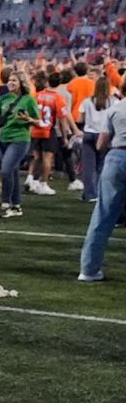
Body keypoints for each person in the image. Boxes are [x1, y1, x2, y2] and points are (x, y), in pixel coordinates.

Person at [78, 96, 126, 283]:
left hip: (116, 158)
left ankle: (89, 270)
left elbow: (101, 144)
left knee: (102, 217)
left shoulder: (115, 109)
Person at [0, 73, 39, 219]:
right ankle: (16, 206)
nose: (10, 83)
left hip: (20, 138)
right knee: (12, 171)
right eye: (9, 80)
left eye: (14, 80)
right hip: (4, 138)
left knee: (6, 169)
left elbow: (38, 121)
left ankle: (6, 202)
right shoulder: (3, 99)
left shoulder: (28, 100)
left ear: (22, 83)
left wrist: (28, 119)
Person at [78, 76, 116, 205]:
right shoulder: (114, 102)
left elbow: (80, 120)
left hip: (89, 134)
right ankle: (100, 193)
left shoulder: (87, 101)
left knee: (88, 167)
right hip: (105, 135)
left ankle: (89, 194)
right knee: (101, 166)